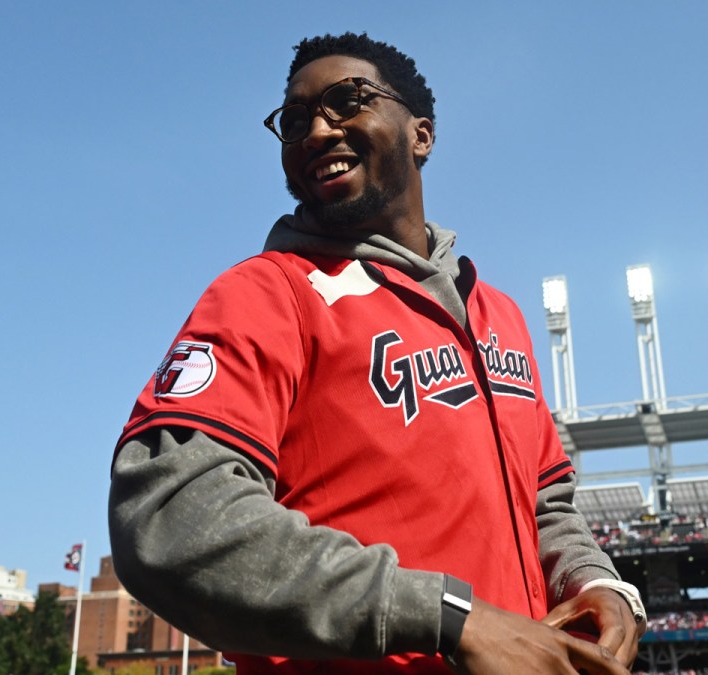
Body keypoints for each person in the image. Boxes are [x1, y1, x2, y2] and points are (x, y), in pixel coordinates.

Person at [108, 32, 646, 674]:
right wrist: (447, 616)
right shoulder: (266, 294)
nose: (316, 130)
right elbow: (171, 520)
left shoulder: (499, 314)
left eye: (347, 101)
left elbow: (546, 506)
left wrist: (598, 583)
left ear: (422, 134)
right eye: (295, 120)